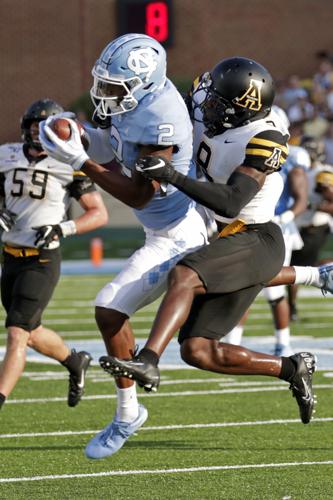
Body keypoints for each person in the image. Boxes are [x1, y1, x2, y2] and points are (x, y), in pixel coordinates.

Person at [96, 57, 332, 429]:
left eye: (218, 101)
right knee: (197, 351)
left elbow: (232, 200)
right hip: (224, 236)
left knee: (185, 275)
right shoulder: (216, 113)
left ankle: (149, 361)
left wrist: (172, 175)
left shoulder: (267, 136)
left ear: (241, 110)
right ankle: (292, 367)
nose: (207, 103)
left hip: (255, 237)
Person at [39, 34, 209, 459]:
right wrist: (77, 136)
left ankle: (128, 413)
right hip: (160, 228)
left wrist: (78, 160)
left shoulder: (161, 118)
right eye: (105, 83)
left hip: (179, 230)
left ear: (144, 84)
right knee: (202, 348)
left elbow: (139, 194)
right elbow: (111, 144)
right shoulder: (132, 101)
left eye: (115, 87)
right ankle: (129, 412)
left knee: (112, 309)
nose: (105, 94)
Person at [0, 98, 109, 411]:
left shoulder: (69, 165)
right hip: (10, 256)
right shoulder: (6, 155)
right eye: (35, 127)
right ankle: (75, 361)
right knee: (30, 332)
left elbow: (98, 213)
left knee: (17, 334)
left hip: (42, 259)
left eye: (46, 128)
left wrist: (64, 229)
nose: (39, 134)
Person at [225, 133, 311, 355]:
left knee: (273, 290)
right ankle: (232, 342)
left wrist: (287, 216)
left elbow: (301, 198)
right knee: (241, 286)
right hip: (250, 222)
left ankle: (283, 342)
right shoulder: (242, 149)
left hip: (278, 227)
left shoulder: (293, 157)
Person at [289, 136, 333, 321]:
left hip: (315, 227)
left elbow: (331, 202)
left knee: (297, 269)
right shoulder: (297, 170)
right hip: (296, 226)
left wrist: (312, 206)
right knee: (293, 268)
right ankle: (292, 308)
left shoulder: (322, 173)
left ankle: (292, 309)